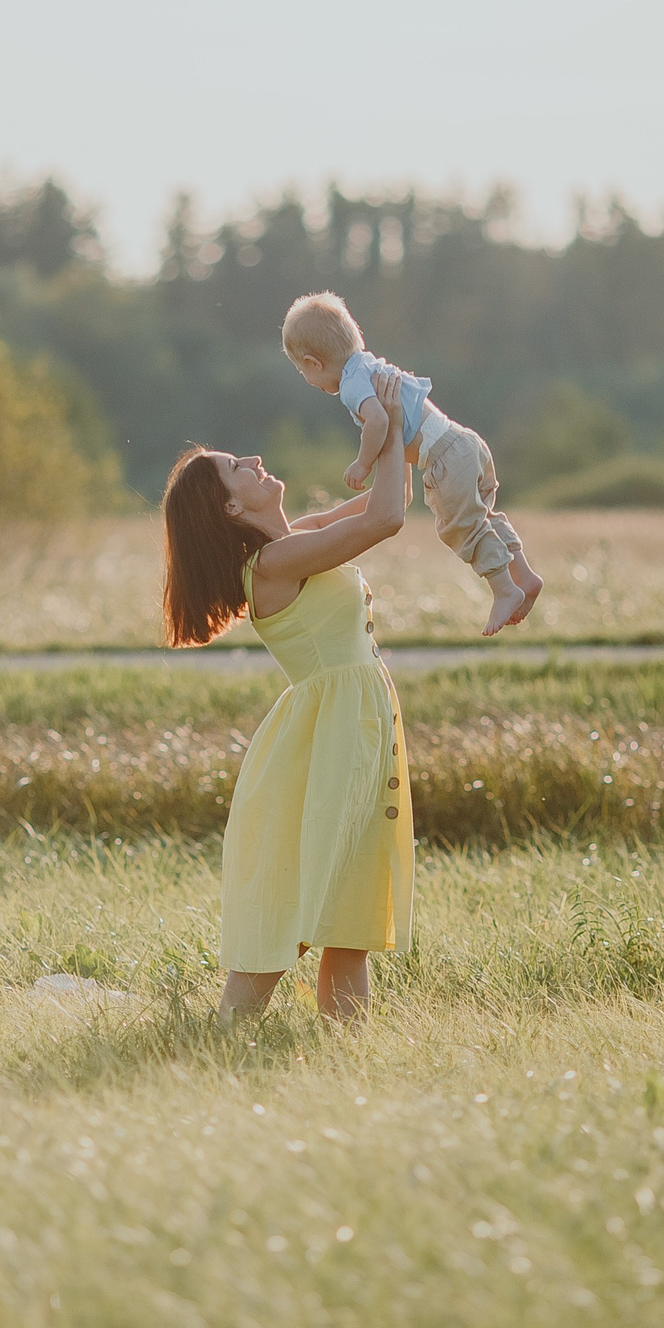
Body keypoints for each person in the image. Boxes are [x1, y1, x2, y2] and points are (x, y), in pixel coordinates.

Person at [160, 364, 411, 1022]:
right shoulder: (272, 565)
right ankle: (219, 1044)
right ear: (232, 508)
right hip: (329, 739)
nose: (254, 458)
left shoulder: (293, 540)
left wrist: (393, 440)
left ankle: (344, 1064)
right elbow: (386, 517)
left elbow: (370, 505)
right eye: (235, 466)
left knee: (350, 918)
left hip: (351, 729)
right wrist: (390, 426)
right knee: (287, 921)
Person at [280, 290, 544, 637]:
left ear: (313, 363)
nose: (307, 379)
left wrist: (363, 463)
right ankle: (524, 576)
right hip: (465, 443)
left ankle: (505, 590)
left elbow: (377, 421)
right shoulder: (368, 363)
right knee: (483, 518)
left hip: (443, 458)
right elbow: (397, 429)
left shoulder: (350, 385)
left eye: (302, 371)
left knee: (460, 527)